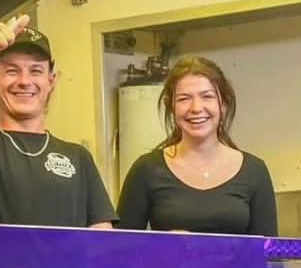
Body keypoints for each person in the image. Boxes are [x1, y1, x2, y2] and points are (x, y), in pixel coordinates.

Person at [0, 14, 117, 228]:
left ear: (51, 81)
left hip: (66, 263)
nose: (25, 81)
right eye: (11, 71)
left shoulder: (78, 157)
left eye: (36, 71)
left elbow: (101, 231)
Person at [117, 56, 278, 236]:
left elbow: (269, 256)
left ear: (223, 104)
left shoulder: (255, 171)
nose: (196, 108)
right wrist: (164, 249)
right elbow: (120, 251)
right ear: (172, 108)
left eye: (207, 96)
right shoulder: (146, 170)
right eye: (184, 99)